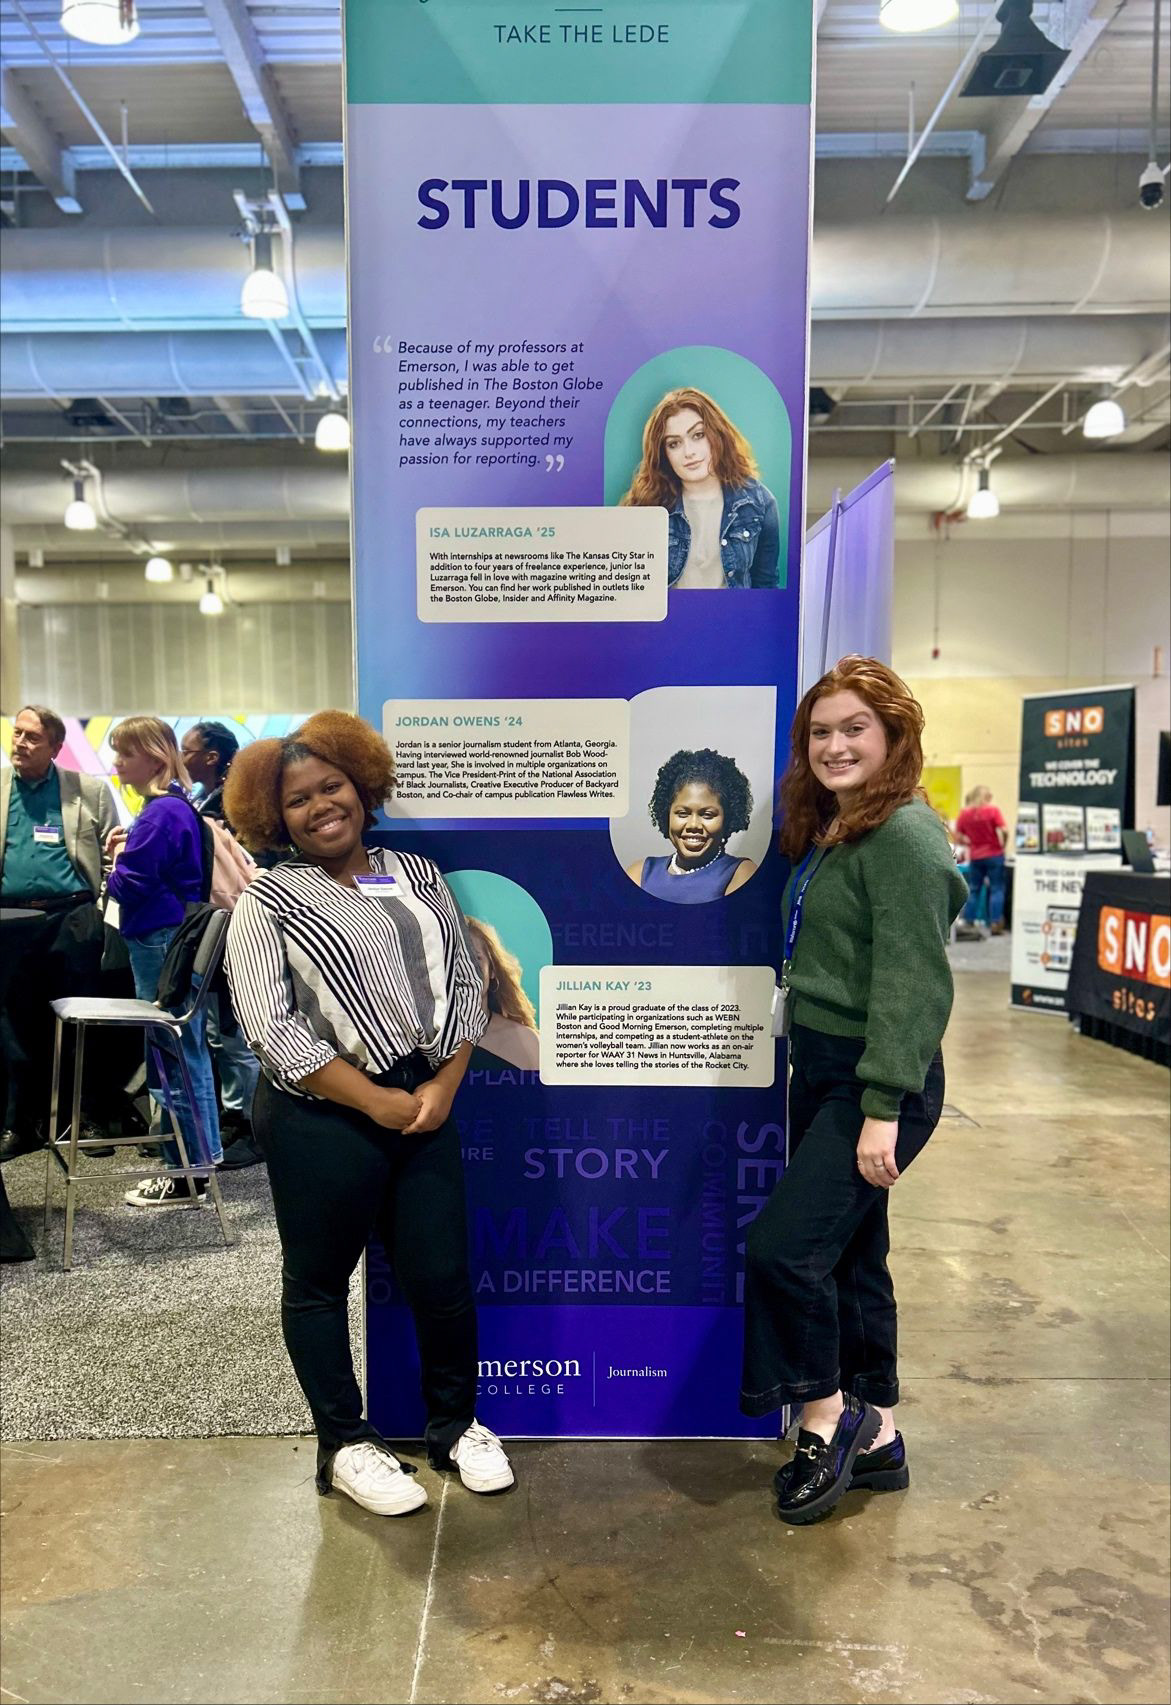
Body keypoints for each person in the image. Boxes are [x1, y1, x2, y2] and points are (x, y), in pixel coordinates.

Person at [222, 710, 514, 1518]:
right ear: (273, 817)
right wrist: (374, 1098)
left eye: (332, 786)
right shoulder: (268, 899)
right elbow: (270, 1026)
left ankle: (454, 1425)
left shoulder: (416, 873)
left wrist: (442, 1086)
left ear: (361, 784)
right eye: (298, 799)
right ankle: (344, 1443)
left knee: (441, 1278)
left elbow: (467, 982)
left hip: (425, 1102)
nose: (321, 806)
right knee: (318, 1283)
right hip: (322, 1114)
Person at [741, 656, 967, 1526]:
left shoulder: (903, 836)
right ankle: (879, 1438)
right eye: (819, 732)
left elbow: (914, 984)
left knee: (783, 1249)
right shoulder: (840, 826)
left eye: (853, 729)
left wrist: (880, 1108)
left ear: (893, 735)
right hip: (825, 1063)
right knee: (850, 1254)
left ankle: (826, 1419)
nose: (833, 745)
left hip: (876, 1078)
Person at [106, 717, 223, 1205]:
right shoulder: (175, 807)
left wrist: (113, 862)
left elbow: (129, 885)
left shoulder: (160, 813)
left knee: (171, 1057)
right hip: (168, 939)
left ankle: (187, 1172)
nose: (116, 762)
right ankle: (198, 1163)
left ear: (153, 756)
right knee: (185, 1053)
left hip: (159, 942)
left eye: (125, 753)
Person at [1, 705, 118, 1160]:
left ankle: (83, 1117)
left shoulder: (87, 789)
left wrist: (101, 909)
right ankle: (20, 1123)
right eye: (17, 733)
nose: (20, 743)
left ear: (55, 746)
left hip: (72, 918)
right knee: (15, 1024)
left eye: (32, 737)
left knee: (81, 1021)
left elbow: (113, 855)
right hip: (11, 921)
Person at [181, 719, 261, 1166]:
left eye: (187, 750)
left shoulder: (235, 806)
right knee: (220, 1031)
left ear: (211, 757)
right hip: (215, 925)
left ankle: (252, 1125)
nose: (182, 757)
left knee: (236, 1034)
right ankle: (236, 1117)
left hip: (236, 926)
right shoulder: (204, 801)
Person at [620, 387, 780, 589]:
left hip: (731, 611)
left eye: (698, 435)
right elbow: (629, 590)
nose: (689, 452)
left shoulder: (759, 502)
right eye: (674, 444)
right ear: (663, 454)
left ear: (717, 434)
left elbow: (765, 588)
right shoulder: (645, 507)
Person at [626, 748, 757, 903]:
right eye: (682, 813)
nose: (693, 825)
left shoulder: (740, 873)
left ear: (727, 819)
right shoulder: (640, 873)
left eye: (707, 815)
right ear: (667, 814)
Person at [466, 917, 540, 1071]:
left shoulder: (527, 1042)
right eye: (454, 958)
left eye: (475, 958)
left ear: (492, 970)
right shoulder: (418, 1041)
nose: (465, 969)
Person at [953, 785, 1008, 940]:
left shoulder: (965, 814)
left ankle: (969, 921)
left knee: (974, 889)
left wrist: (969, 842)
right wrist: (1003, 844)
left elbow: (958, 836)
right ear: (985, 797)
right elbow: (1004, 830)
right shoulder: (993, 811)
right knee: (997, 888)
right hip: (994, 854)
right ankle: (995, 923)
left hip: (976, 856)